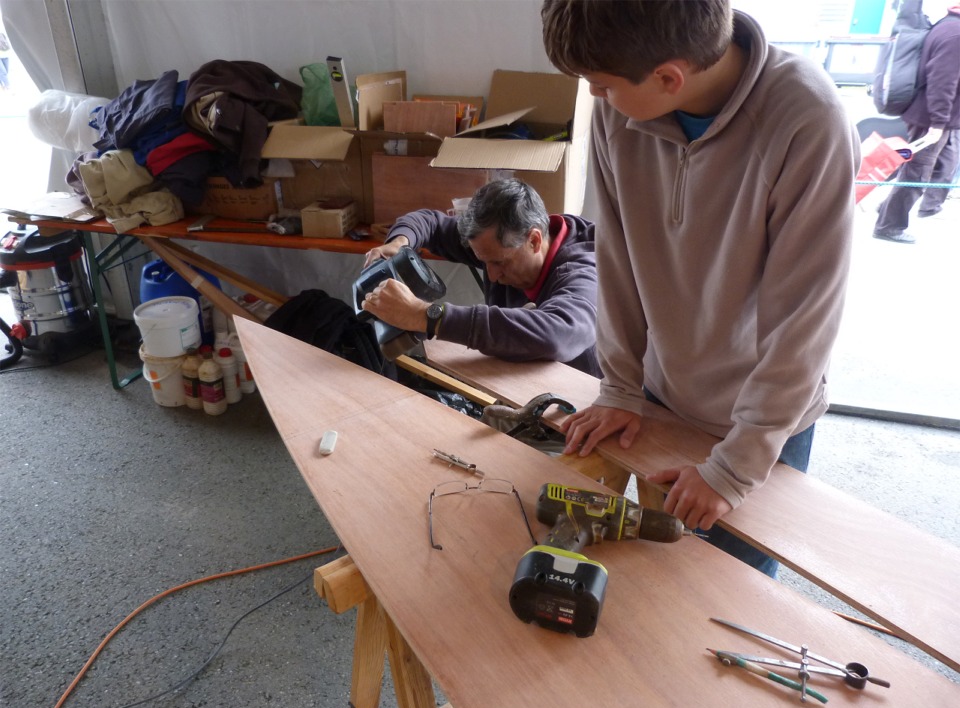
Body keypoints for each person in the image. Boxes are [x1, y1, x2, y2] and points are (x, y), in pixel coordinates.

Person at [540, 0, 860, 577]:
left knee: (731, 595)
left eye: (602, 86)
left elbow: (805, 318)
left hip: (760, 421)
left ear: (669, 78)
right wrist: (619, 385)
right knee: (663, 577)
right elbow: (618, 256)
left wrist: (735, 467)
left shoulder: (807, 119)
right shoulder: (621, 112)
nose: (596, 99)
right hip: (663, 396)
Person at [361, 178, 600, 377]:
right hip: (517, 383)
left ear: (534, 240)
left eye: (499, 262)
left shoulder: (584, 270)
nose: (492, 275)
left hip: (581, 403)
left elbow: (556, 335)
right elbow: (430, 222)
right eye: (483, 261)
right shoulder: (495, 240)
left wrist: (427, 317)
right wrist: (399, 242)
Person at [874, 1, 960, 242]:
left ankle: (915, 206)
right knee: (916, 174)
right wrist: (937, 124)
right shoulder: (955, 34)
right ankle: (889, 226)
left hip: (939, 117)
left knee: (944, 163)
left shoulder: (948, 26)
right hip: (931, 119)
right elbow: (942, 83)